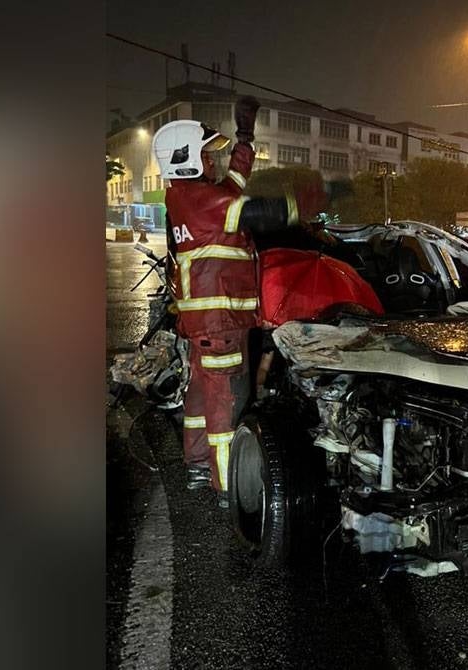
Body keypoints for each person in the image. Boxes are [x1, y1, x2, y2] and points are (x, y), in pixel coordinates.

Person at [152, 96, 324, 505]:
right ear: (187, 159)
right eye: (209, 155)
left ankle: (196, 464)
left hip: (204, 324)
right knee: (226, 407)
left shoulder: (186, 196)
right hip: (220, 322)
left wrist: (245, 137)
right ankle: (231, 486)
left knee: (202, 396)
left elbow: (236, 181)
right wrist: (309, 201)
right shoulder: (203, 202)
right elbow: (259, 213)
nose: (217, 162)